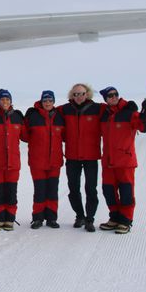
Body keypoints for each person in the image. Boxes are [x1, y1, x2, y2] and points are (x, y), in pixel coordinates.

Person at [98, 87, 146, 234]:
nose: (113, 97)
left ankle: (125, 220)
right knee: (108, 191)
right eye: (110, 95)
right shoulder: (104, 114)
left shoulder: (129, 113)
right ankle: (115, 217)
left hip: (125, 161)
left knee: (126, 192)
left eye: (115, 94)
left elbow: (145, 127)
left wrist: (145, 113)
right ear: (105, 99)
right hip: (108, 162)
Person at [59, 83, 105, 232]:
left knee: (91, 189)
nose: (79, 97)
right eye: (76, 94)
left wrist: (129, 106)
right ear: (71, 95)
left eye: (82, 93)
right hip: (72, 156)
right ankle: (80, 216)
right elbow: (47, 110)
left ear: (88, 94)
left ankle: (90, 219)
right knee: (73, 189)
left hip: (91, 156)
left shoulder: (98, 109)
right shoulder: (64, 110)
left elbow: (115, 108)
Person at [0, 89, 26, 231]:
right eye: (2, 100)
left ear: (11, 101)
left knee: (11, 192)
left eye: (7, 100)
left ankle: (10, 219)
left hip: (13, 163)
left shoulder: (18, 117)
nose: (5, 102)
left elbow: (27, 136)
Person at [24, 90, 65, 229]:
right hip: (37, 161)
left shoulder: (59, 117)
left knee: (53, 190)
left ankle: (52, 218)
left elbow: (65, 135)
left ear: (54, 102)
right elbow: (24, 136)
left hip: (55, 161)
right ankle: (38, 218)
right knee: (40, 190)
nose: (47, 103)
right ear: (41, 102)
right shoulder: (33, 116)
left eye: (50, 101)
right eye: (45, 101)